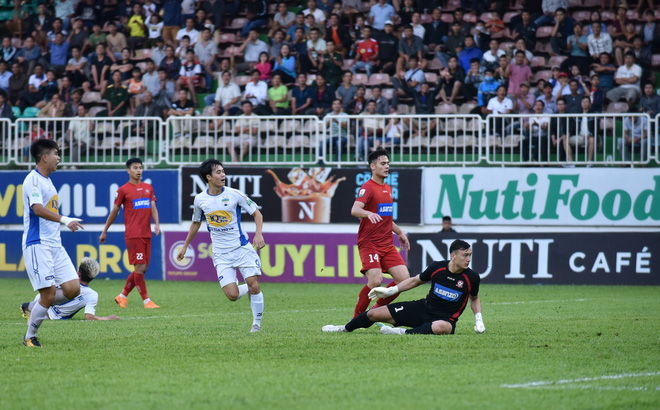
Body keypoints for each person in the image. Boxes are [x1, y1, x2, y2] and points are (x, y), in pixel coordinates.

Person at [322, 239, 485, 336]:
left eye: (470, 255)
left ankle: (399, 332)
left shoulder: (471, 277)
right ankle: (343, 328)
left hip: (445, 319)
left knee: (442, 327)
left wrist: (478, 319)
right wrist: (389, 291)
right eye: (465, 255)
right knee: (372, 314)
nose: (468, 258)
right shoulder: (437, 268)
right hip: (423, 309)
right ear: (453, 256)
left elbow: (475, 298)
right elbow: (414, 281)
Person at [177, 159, 265, 332]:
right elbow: (196, 223)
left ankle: (256, 324)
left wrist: (259, 234)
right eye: (218, 172)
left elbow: (257, 213)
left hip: (241, 248)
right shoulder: (200, 200)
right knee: (232, 295)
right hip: (220, 254)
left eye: (223, 171)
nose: (223, 175)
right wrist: (185, 246)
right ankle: (246, 288)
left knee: (253, 283)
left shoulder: (234, 194)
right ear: (209, 177)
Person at [21, 139, 84, 347]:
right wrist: (66, 220)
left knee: (74, 288)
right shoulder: (34, 180)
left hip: (55, 245)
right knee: (48, 295)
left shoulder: (48, 181)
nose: (59, 158)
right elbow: (37, 209)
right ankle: (30, 336)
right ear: (45, 157)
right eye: (56, 154)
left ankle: (32, 306)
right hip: (38, 244)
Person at [350, 149, 411, 318]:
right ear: (373, 166)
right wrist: (368, 213)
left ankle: (376, 309)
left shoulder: (388, 189)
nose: (387, 167)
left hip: (386, 244)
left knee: (404, 280)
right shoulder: (367, 188)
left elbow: (386, 219)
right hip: (369, 243)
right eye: (383, 164)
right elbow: (355, 210)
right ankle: (356, 318)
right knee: (376, 281)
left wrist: (400, 232)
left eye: (388, 163)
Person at [100, 158, 161, 309]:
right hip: (133, 234)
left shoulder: (148, 188)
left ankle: (122, 296)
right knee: (140, 269)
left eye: (140, 168)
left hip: (147, 234)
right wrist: (105, 230)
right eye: (135, 168)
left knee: (143, 269)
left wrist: (157, 224)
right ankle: (147, 301)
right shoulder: (123, 190)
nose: (139, 170)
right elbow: (114, 211)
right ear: (128, 170)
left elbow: (153, 207)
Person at [21, 258, 120, 322]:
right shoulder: (92, 295)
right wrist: (107, 318)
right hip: (52, 317)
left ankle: (31, 308)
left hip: (40, 300)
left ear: (79, 273)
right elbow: (89, 317)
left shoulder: (66, 279)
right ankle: (32, 310)